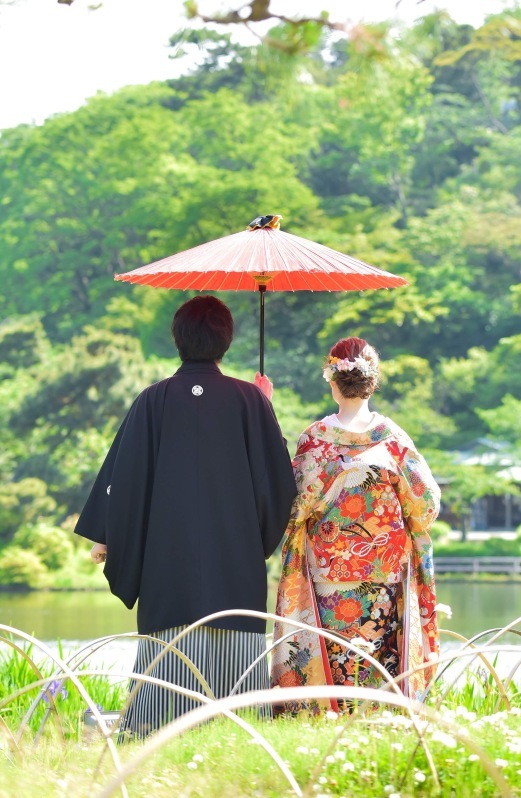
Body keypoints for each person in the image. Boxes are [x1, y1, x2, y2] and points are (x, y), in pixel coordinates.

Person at [75, 295, 296, 737]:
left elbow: (126, 478)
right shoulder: (249, 401)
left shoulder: (153, 400)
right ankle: (239, 728)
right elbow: (279, 484)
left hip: (166, 567)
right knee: (238, 690)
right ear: (225, 341)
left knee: (163, 676)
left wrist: (108, 536)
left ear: (178, 339)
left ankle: (154, 727)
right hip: (234, 565)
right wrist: (263, 405)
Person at [271, 337, 440, 709]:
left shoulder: (316, 440)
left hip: (329, 569)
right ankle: (381, 715)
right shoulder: (394, 439)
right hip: (385, 570)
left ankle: (328, 716)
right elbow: (425, 505)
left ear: (332, 382)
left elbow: (294, 508)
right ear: (372, 382)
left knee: (334, 649)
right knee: (380, 651)